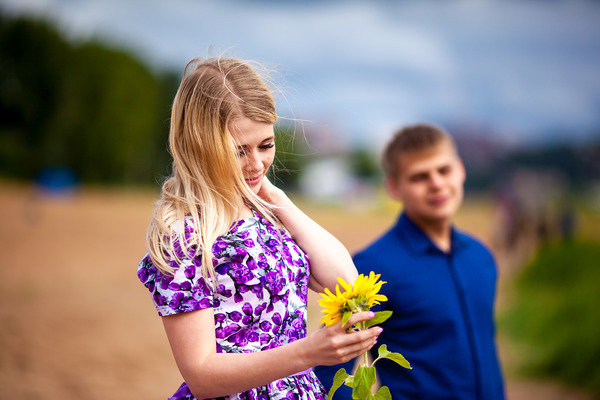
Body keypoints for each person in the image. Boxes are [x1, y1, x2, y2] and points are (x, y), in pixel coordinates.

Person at [136, 57, 382, 400]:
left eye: (266, 145)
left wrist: (278, 199)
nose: (257, 164)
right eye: (239, 151)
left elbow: (346, 282)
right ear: (200, 145)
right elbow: (202, 376)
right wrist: (308, 353)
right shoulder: (182, 233)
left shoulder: (266, 210)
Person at [315, 124, 505, 399]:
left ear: (460, 170)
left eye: (444, 170)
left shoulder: (481, 257)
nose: (436, 183)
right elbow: (328, 369)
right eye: (419, 177)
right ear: (393, 187)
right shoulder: (373, 267)